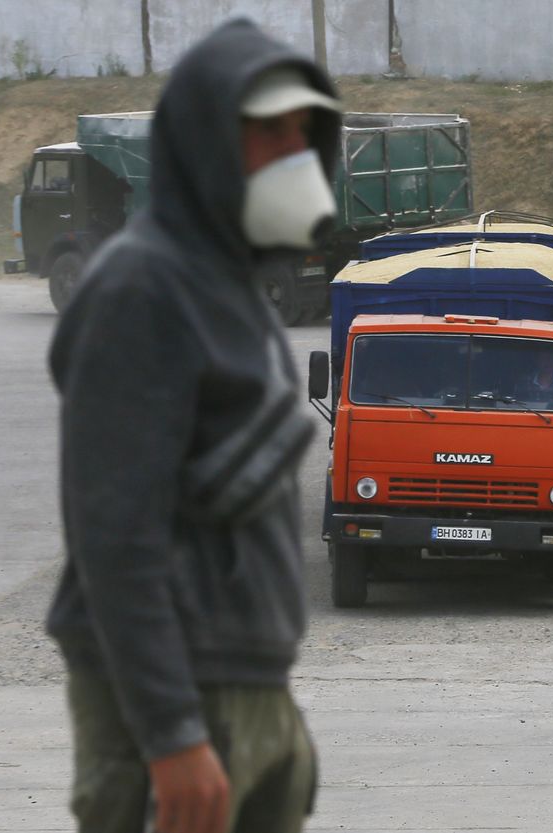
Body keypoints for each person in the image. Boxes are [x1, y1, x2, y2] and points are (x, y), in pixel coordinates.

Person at [46, 19, 342, 833]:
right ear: (206, 141)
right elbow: (115, 535)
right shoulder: (141, 288)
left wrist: (266, 707)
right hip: (177, 706)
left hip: (243, 690)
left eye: (302, 131)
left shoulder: (228, 284)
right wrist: (172, 731)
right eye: (266, 131)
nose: (291, 151)